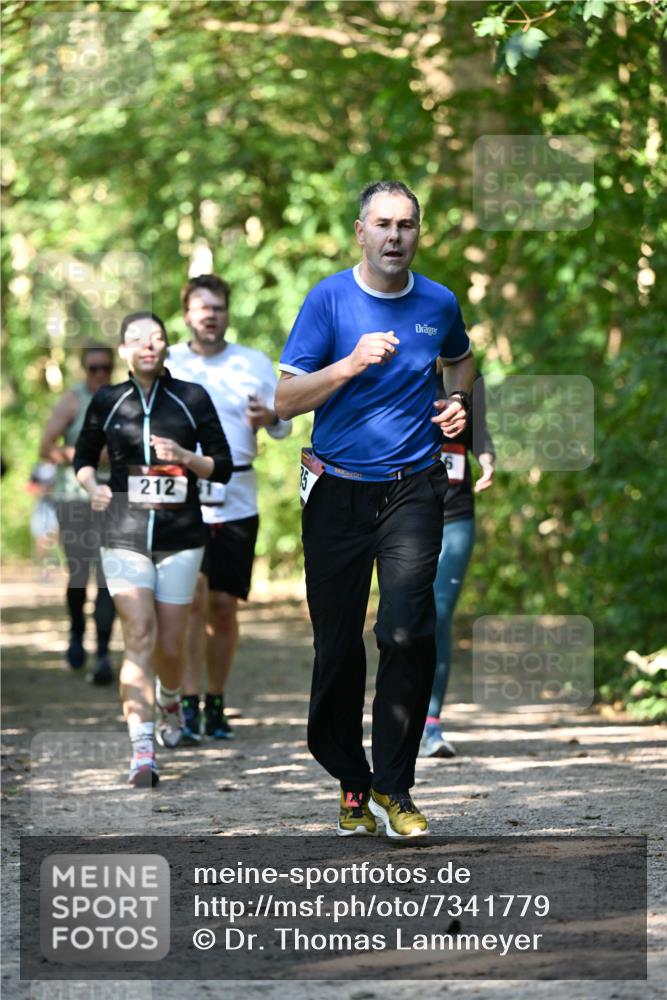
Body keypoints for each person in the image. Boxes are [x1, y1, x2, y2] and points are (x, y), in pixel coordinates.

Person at [275, 181, 476, 838]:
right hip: (335, 491)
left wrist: (456, 405)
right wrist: (349, 365)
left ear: (420, 232)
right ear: (360, 231)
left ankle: (395, 787)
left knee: (405, 632)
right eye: (383, 224)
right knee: (336, 647)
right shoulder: (328, 300)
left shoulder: (438, 302)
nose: (395, 236)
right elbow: (283, 400)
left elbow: (460, 360)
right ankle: (350, 776)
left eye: (407, 225)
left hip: (412, 488)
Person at [74, 312, 232, 787]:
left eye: (157, 338)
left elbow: (222, 466)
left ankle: (170, 699)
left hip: (181, 535)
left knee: (169, 645)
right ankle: (142, 749)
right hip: (123, 529)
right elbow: (83, 458)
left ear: (167, 347)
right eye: (138, 340)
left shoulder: (190, 398)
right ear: (124, 350)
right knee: (139, 634)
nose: (149, 345)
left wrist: (185, 458)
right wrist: (92, 487)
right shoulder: (107, 400)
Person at [167, 274, 292, 744]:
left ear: (227, 313)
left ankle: (216, 703)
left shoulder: (253, 362)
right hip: (183, 492)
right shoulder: (170, 362)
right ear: (187, 315)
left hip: (238, 491)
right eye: (202, 308)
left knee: (222, 606)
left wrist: (270, 418)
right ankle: (188, 703)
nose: (210, 315)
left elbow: (281, 425)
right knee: (191, 600)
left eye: (217, 307)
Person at [420, 371, 495, 759]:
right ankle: (400, 714)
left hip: (456, 512)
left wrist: (486, 460)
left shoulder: (466, 379)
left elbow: (480, 433)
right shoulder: (392, 371)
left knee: (439, 612)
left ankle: (430, 722)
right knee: (406, 616)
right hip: (406, 515)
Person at [40, 344, 117, 684]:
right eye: (93, 368)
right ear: (84, 369)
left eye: (105, 368)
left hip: (114, 497)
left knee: (108, 578)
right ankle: (75, 632)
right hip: (73, 498)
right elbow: (45, 448)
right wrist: (82, 455)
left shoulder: (122, 398)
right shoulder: (72, 400)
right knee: (78, 573)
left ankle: (102, 654)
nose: (100, 374)